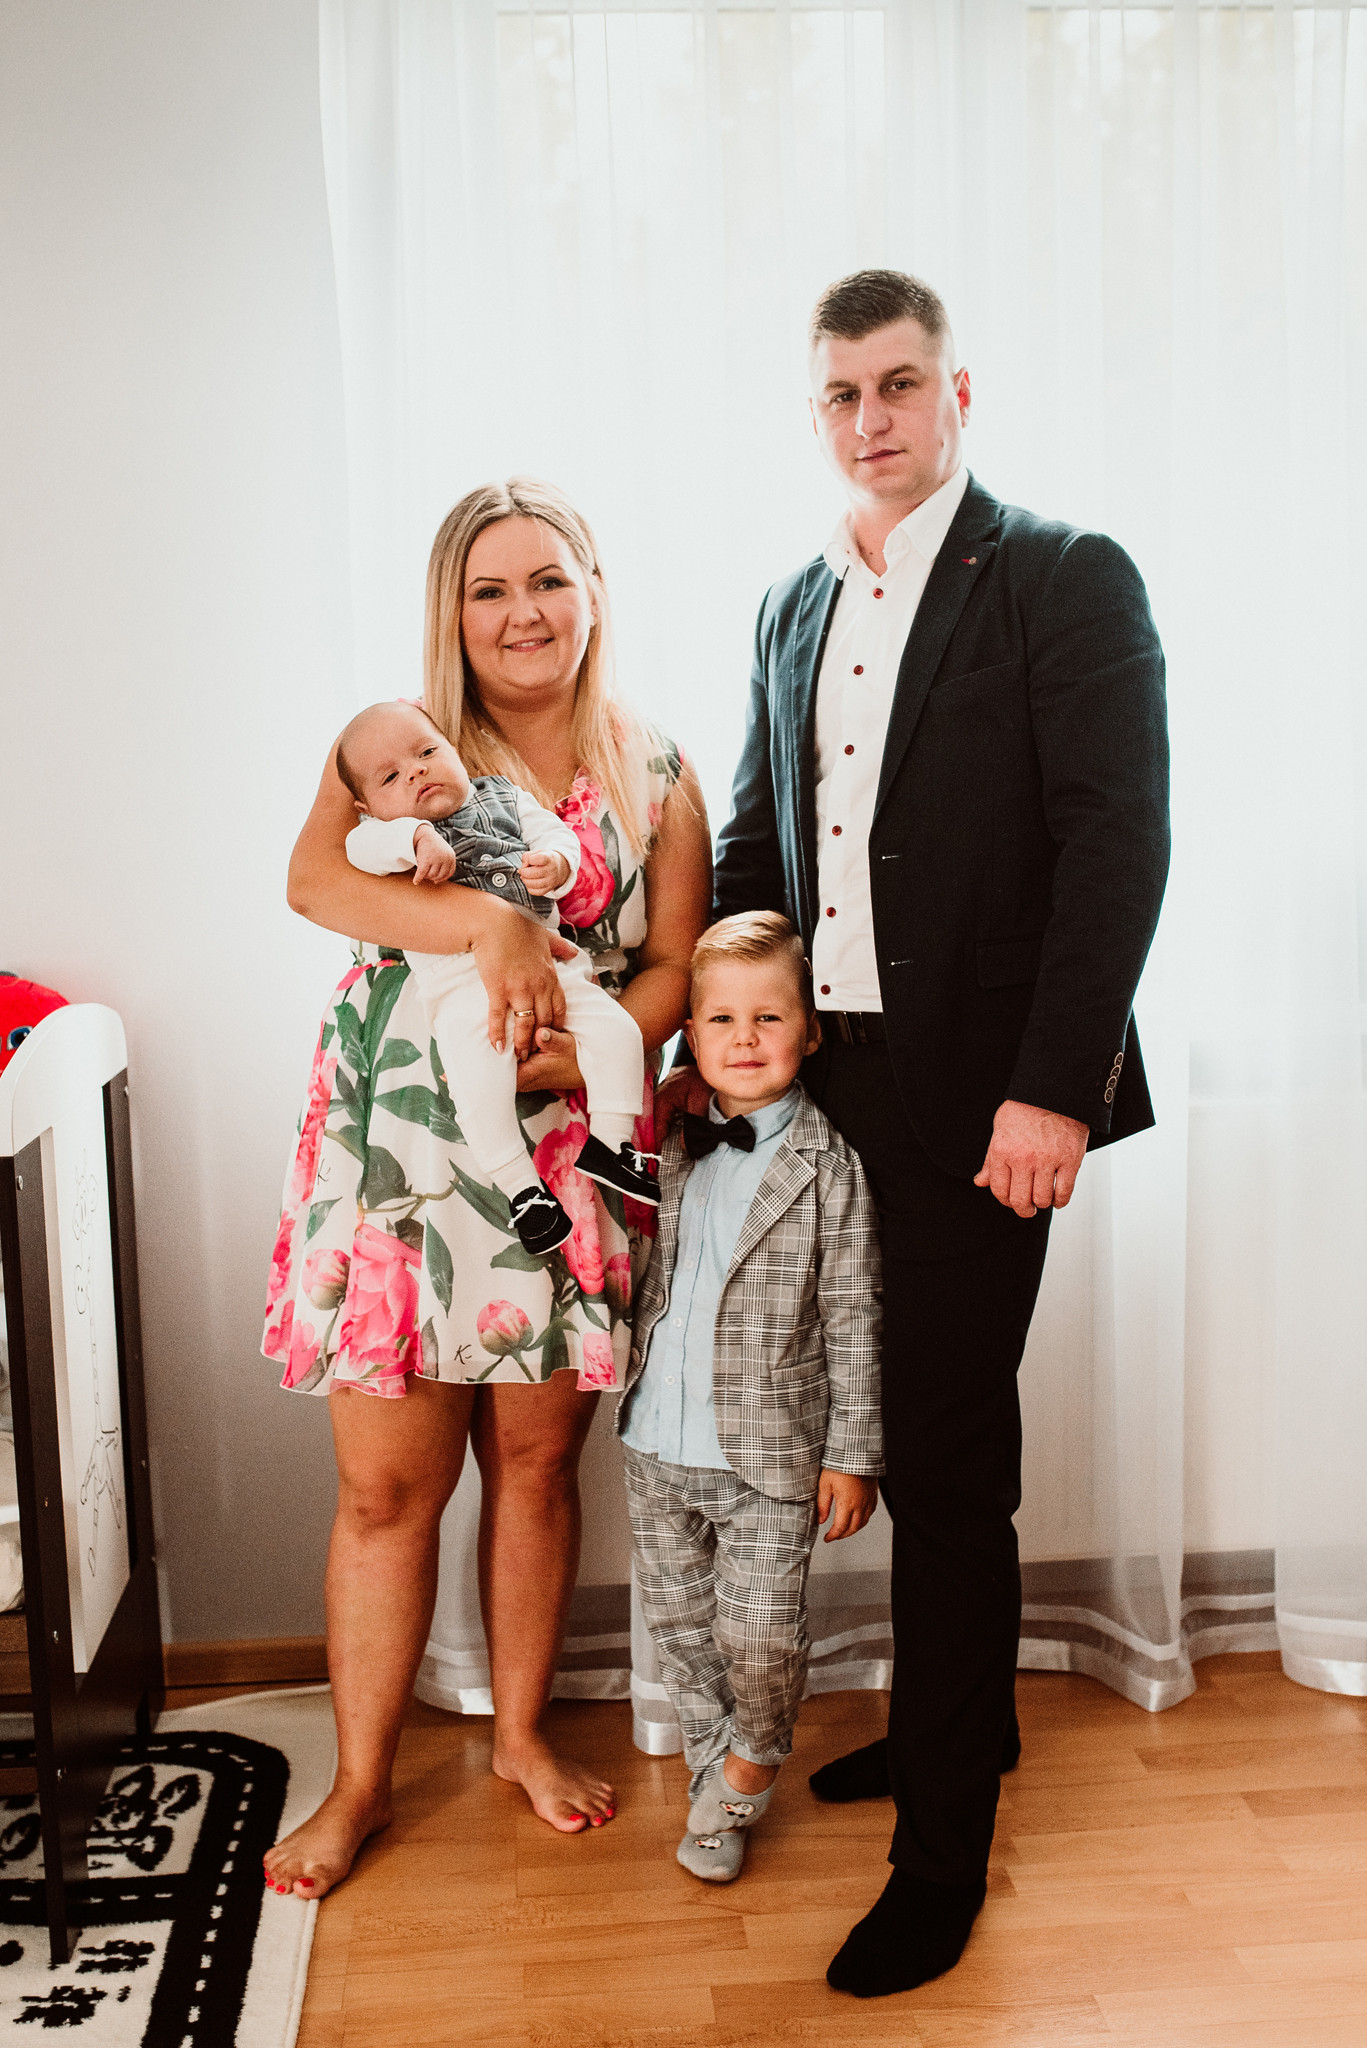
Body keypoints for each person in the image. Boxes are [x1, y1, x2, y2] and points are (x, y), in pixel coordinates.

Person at [672, 269, 1170, 1993]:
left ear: (960, 391)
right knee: (856, 1419)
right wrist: (720, 1063)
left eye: (899, 384)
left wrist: (1055, 1086)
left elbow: (1115, 841)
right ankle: (962, 1717)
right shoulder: (788, 603)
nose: (870, 418)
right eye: (841, 393)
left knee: (949, 1457)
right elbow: (758, 848)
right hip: (832, 1091)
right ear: (814, 410)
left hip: (988, 1095)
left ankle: (941, 1849)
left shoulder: (1059, 574)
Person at [261, 478, 712, 1898]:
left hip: (566, 1151)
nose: (523, 613)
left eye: (548, 579)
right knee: (385, 1491)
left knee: (532, 1467)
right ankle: (359, 1786)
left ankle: (518, 1736)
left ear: (593, 589)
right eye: (489, 588)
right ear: (450, 611)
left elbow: (673, 966)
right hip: (400, 1153)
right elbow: (317, 886)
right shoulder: (399, 743)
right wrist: (490, 927)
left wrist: (584, 1058)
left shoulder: (656, 769)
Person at [618, 912, 882, 1884]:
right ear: (689, 1030)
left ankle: (746, 1769)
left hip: (770, 1456)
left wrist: (852, 1455)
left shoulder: (828, 1166)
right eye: (721, 1018)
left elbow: (853, 1315)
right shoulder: (667, 1140)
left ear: (807, 1031)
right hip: (655, 1439)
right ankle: (710, 1780)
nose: (744, 1037)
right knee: (685, 1633)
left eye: (768, 1016)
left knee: (759, 1633)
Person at [339, 699, 660, 1255]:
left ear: (455, 752)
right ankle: (523, 1192)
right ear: (368, 806)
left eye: (427, 752)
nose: (415, 771)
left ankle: (612, 1144)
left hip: (552, 970)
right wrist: (415, 839)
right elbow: (358, 849)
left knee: (619, 1033)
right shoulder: (385, 833)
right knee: (478, 1087)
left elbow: (554, 834)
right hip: (463, 992)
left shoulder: (504, 798)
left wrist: (557, 864)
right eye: (391, 777)